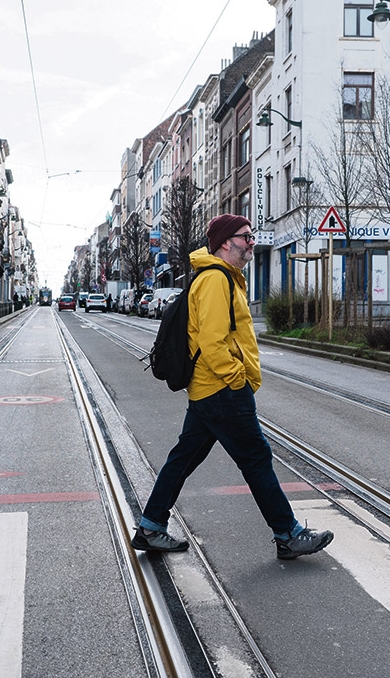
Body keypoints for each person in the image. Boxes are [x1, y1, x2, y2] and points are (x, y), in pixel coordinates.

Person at [132, 214, 334, 560]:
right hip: (222, 390)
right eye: (246, 237)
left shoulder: (225, 278)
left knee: (183, 458)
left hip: (209, 391)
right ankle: (288, 533)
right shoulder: (215, 280)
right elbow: (212, 341)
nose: (252, 242)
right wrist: (237, 379)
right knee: (256, 458)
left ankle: (151, 526)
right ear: (226, 242)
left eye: (252, 236)